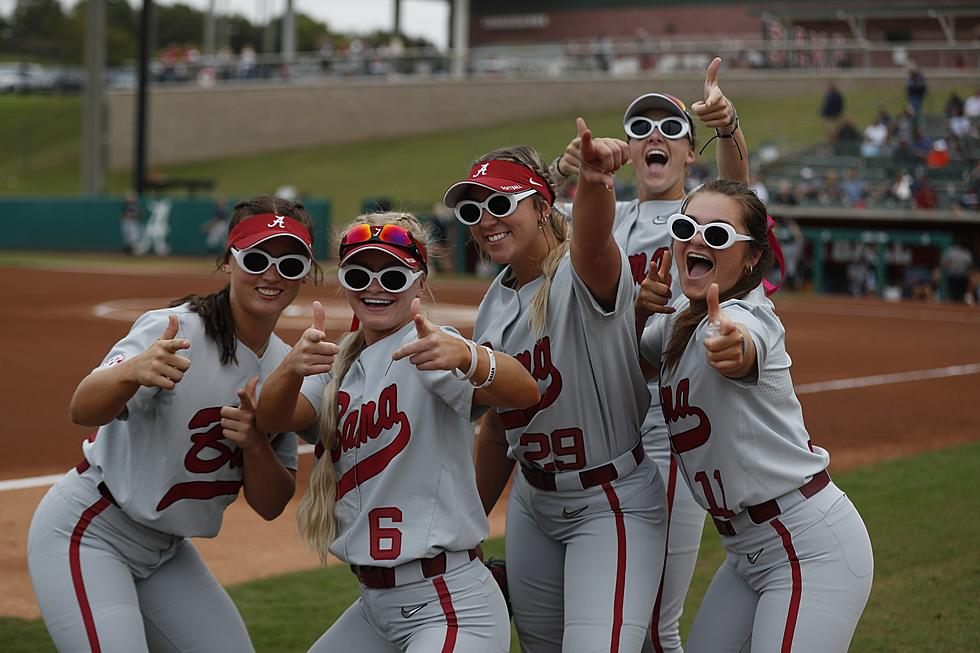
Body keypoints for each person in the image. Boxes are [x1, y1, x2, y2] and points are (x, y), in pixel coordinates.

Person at [27, 197, 323, 652]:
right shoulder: (175, 331)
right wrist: (129, 371)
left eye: (290, 263)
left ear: (306, 272)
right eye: (258, 258)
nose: (272, 274)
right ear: (229, 262)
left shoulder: (285, 366)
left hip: (167, 549)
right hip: (91, 530)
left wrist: (255, 443)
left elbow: (269, 505)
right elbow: (81, 410)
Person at [254, 212, 540, 652]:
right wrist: (291, 367)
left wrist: (468, 357)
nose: (374, 286)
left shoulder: (431, 347)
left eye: (391, 275)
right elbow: (273, 418)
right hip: (375, 606)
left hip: (447, 605)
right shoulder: (338, 366)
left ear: (419, 282)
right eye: (359, 274)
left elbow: (524, 390)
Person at [550, 57, 748, 653]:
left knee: (655, 631)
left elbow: (739, 192)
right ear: (629, 152)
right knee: (602, 621)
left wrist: (729, 127)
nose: (655, 136)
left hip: (661, 434)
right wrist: (564, 174)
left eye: (671, 129)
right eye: (641, 129)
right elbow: (528, 225)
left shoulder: (702, 217)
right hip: (604, 431)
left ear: (692, 153)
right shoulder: (601, 215)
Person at [447, 134, 669, 652]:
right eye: (474, 209)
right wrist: (469, 526)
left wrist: (594, 182)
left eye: (501, 204)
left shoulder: (580, 271)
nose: (486, 218)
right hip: (533, 501)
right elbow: (497, 425)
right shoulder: (493, 304)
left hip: (610, 502)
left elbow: (593, 237)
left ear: (543, 207)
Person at [636, 178, 873, 653]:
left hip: (806, 547)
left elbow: (744, 342)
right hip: (745, 551)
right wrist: (643, 312)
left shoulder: (749, 317)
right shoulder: (679, 319)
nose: (697, 239)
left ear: (751, 259)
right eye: (687, 226)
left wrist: (733, 347)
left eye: (719, 235)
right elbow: (639, 354)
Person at [120, 190, 142, 255]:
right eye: (130, 197)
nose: (132, 198)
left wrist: (134, 215)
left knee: (135, 237)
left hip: (133, 223)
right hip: (127, 222)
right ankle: (128, 250)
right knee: (129, 238)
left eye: (132, 197)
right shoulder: (126, 205)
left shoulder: (135, 205)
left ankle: (131, 250)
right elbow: (123, 215)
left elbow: (138, 214)